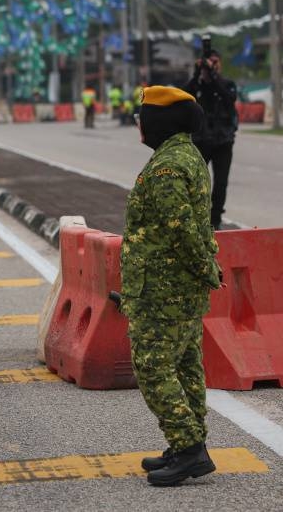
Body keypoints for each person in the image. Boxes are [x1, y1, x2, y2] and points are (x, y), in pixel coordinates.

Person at [120, 85, 220, 487]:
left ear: (157, 121)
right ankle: (188, 445)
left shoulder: (166, 167)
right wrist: (206, 271)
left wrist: (206, 268)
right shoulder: (186, 155)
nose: (139, 124)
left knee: (153, 367)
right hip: (181, 287)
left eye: (141, 117)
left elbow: (182, 232)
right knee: (186, 366)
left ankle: (189, 447)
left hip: (163, 289)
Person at [183, 48, 238, 229]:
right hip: (201, 140)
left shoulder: (227, 83)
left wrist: (213, 76)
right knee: (198, 182)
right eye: (208, 62)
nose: (211, 66)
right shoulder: (197, 86)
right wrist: (198, 73)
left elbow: (229, 98)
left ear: (220, 64)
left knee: (221, 182)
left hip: (224, 141)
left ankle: (216, 220)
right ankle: (199, 217)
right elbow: (184, 95)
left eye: (215, 62)